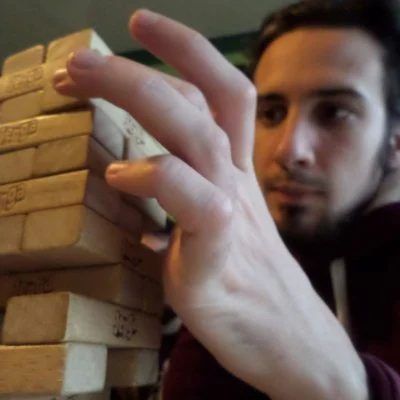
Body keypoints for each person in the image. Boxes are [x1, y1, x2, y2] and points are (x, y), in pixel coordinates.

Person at [53, 0, 400, 398]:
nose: (289, 150)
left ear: (395, 145)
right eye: (271, 113)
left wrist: (344, 384)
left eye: (335, 112)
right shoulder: (210, 245)